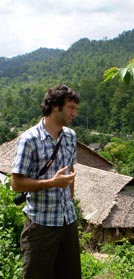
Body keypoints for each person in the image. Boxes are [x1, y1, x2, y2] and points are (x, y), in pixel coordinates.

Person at [11, 84, 82, 279]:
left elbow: (71, 171)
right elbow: (16, 184)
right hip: (41, 225)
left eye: (76, 109)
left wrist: (70, 200)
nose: (74, 113)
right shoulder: (30, 139)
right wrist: (52, 182)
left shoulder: (70, 137)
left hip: (68, 222)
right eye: (71, 108)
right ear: (56, 106)